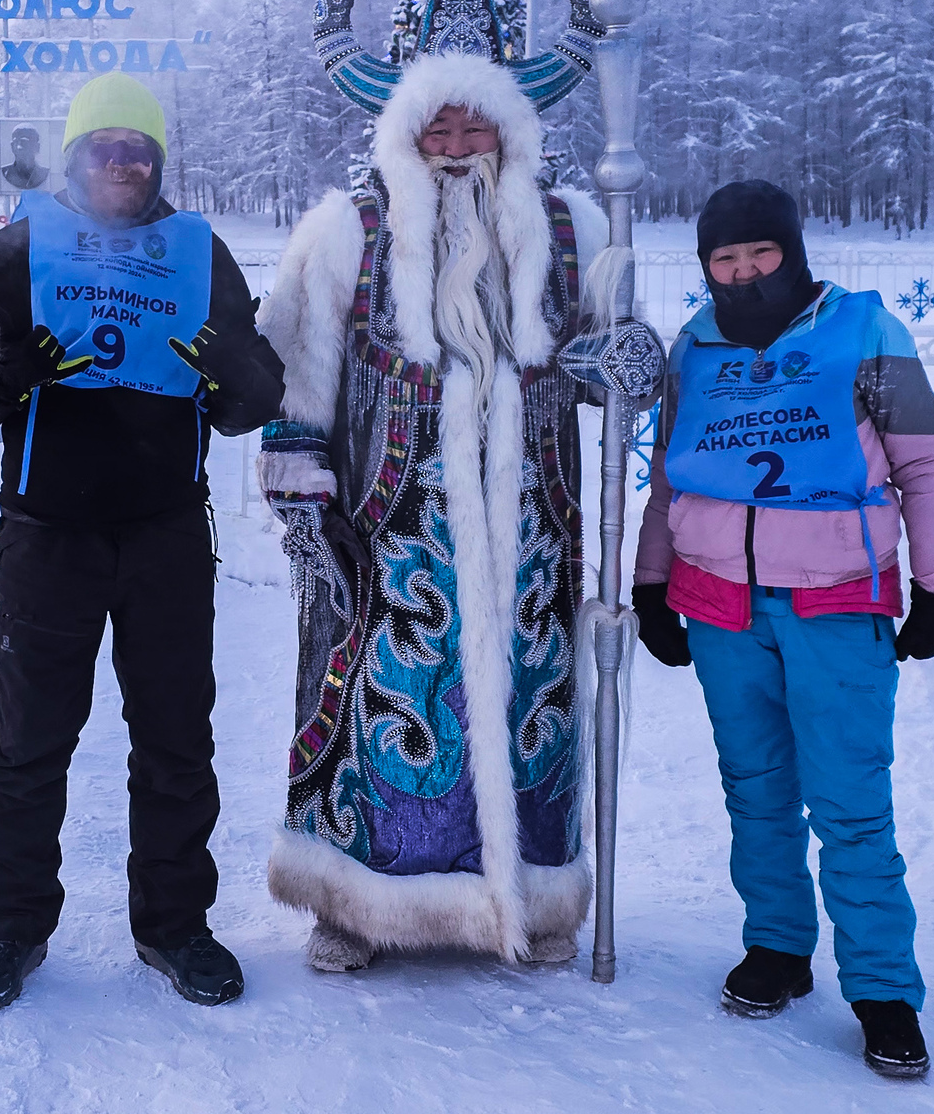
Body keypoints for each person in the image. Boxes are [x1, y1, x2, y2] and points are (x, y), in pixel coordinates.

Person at [257, 54, 658, 972]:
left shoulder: (575, 228)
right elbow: (300, 376)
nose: (455, 148)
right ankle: (355, 906)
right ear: (403, 138)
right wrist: (304, 507)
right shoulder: (348, 233)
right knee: (373, 699)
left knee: (534, 705)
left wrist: (627, 361)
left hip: (533, 525)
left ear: (509, 134)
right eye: (436, 131)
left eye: (474, 128)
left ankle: (535, 897)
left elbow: (614, 360)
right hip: (388, 524)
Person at [0, 71, 284, 1011]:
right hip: (48, 537)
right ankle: (8, 930)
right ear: (76, 158)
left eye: (139, 151)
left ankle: (175, 928)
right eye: (104, 149)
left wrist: (232, 372)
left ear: (159, 162)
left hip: (165, 535)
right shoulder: (20, 250)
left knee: (175, 742)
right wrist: (4, 378)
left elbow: (256, 400)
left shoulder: (198, 255)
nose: (122, 165)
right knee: (28, 743)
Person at [630, 179, 934, 1080]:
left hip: (836, 597)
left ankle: (884, 989)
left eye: (759, 253)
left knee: (851, 802)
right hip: (718, 605)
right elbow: (671, 479)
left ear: (793, 250)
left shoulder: (863, 332)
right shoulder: (693, 347)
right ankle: (778, 946)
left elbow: (929, 468)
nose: (742, 272)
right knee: (755, 787)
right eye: (724, 259)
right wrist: (652, 581)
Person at [0, 124, 50, 191]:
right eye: (15, 142)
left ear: (36, 147)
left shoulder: (44, 173)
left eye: (24, 142)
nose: (19, 147)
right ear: (12, 146)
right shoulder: (6, 172)